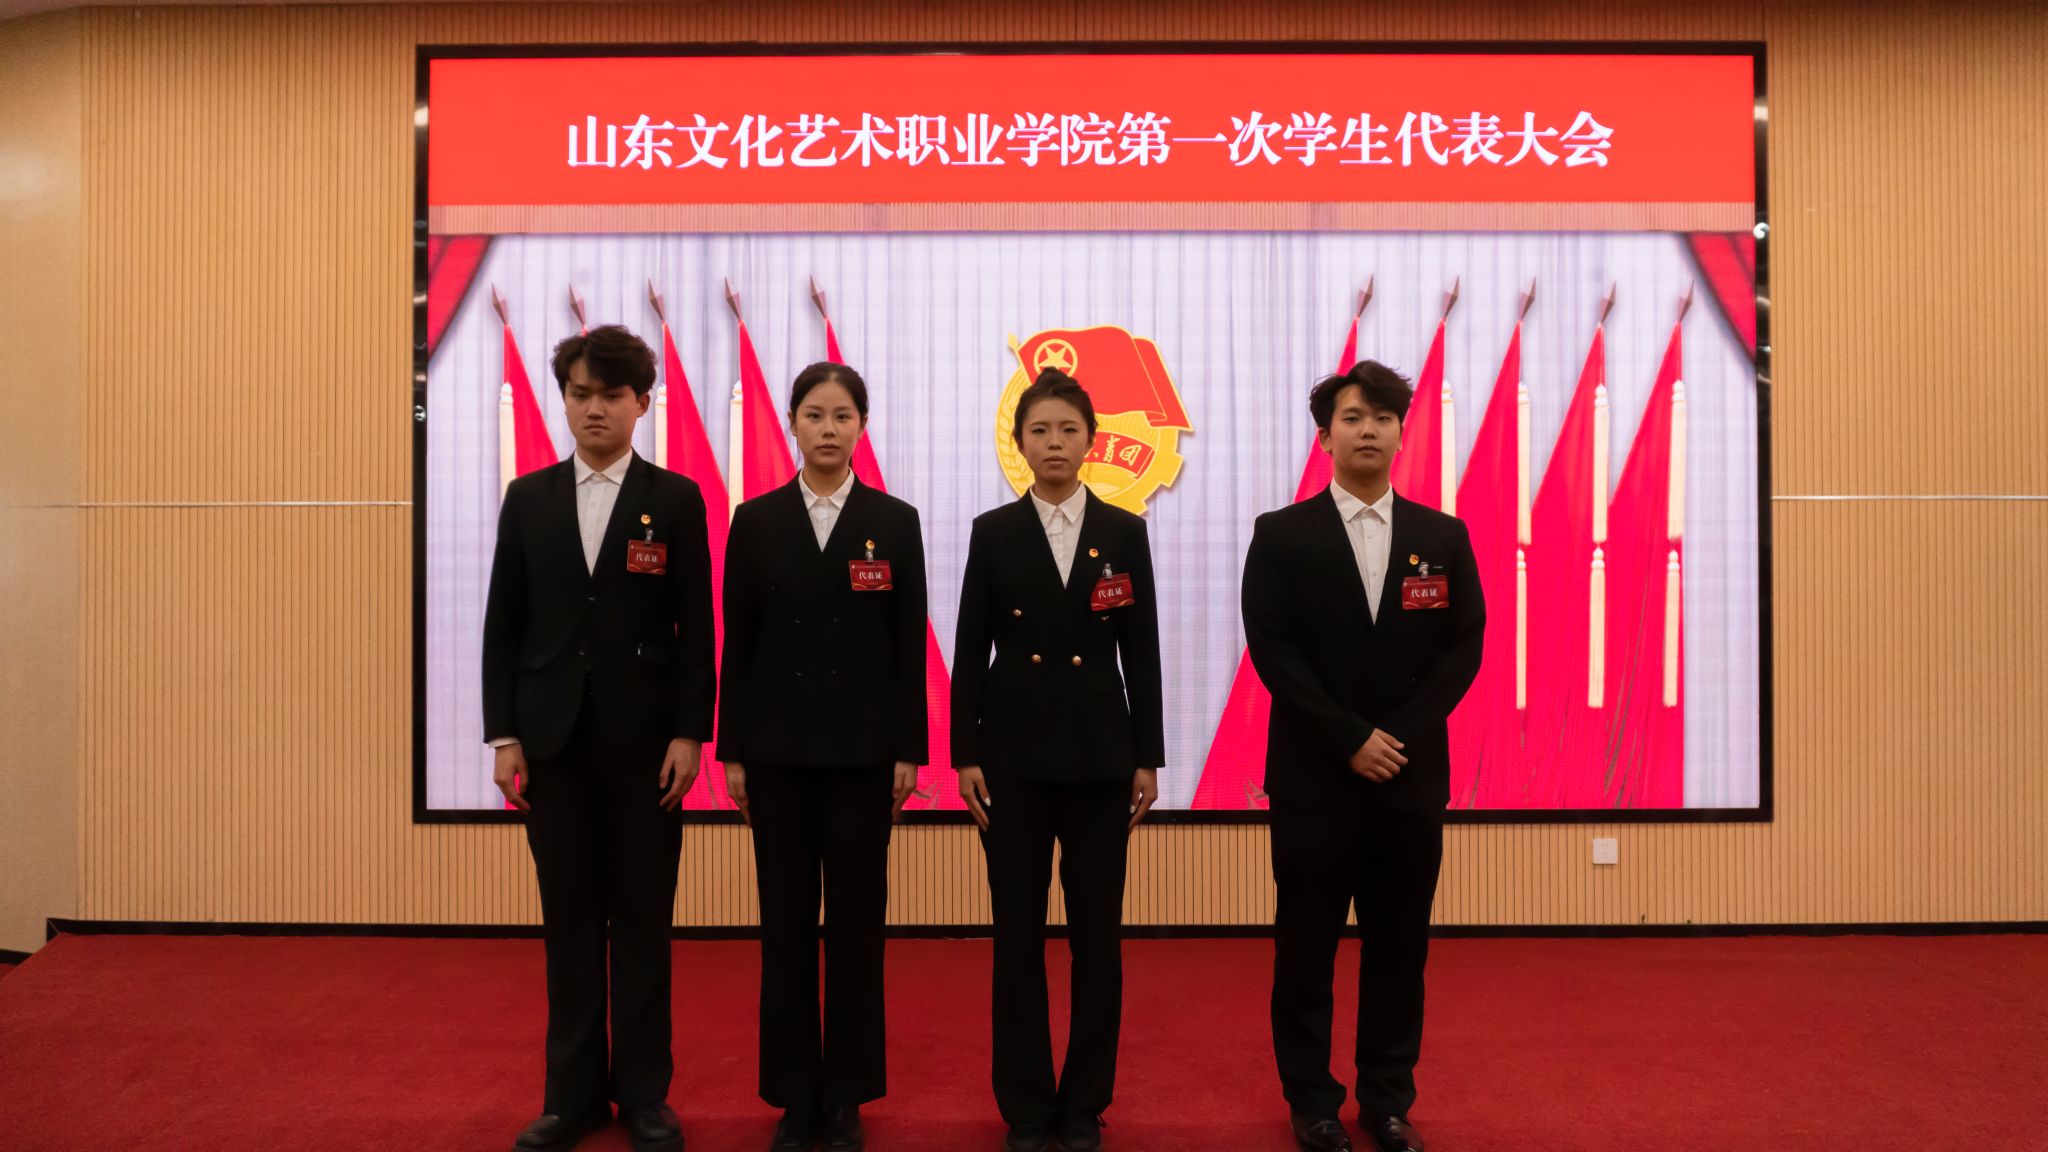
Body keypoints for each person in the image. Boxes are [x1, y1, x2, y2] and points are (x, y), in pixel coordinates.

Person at [482, 324, 715, 1152]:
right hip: (552, 744)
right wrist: (504, 736)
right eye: (579, 394)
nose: (594, 409)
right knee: (570, 924)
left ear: (641, 403)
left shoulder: (676, 499)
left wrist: (691, 733)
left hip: (647, 749)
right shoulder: (529, 498)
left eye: (611, 395)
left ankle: (645, 1095)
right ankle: (571, 1097)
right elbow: (503, 626)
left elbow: (698, 630)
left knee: (644, 925)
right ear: (565, 401)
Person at [1242, 360, 1484, 1152]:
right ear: (1325, 437)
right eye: (1352, 417)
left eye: (1382, 417)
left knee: (1398, 949)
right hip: (1315, 780)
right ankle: (1312, 1101)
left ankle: (1387, 1100)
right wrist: (1349, 736)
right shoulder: (1281, 535)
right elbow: (1274, 650)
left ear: (1402, 433)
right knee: (1304, 950)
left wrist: (1395, 739)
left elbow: (1463, 648)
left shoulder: (1442, 537)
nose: (1368, 430)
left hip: (1407, 781)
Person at [717, 361, 928, 1152]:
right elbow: (739, 643)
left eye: (843, 415)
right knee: (785, 927)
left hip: (864, 758)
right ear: (793, 425)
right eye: (814, 414)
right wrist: (732, 750)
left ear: (862, 426)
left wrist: (910, 749)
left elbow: (908, 644)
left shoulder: (893, 521)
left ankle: (846, 1096)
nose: (829, 428)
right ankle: (794, 1095)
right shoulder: (756, 520)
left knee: (856, 927)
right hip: (775, 757)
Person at [952, 367, 1164, 1152]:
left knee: (1096, 939)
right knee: (1017, 936)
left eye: (1068, 430)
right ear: (1019, 443)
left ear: (1091, 441)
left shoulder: (1124, 530)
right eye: (1039, 430)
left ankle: (1084, 1103)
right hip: (1011, 759)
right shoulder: (993, 532)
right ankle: (1026, 1106)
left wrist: (1149, 756)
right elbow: (970, 650)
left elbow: (1141, 650)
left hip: (1103, 759)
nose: (1054, 443)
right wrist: (965, 754)